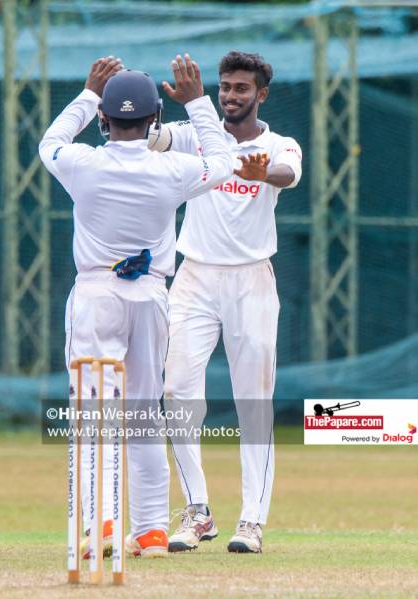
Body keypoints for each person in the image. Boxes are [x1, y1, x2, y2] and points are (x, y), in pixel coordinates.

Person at [39, 54, 235, 558]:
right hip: (150, 296)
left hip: (95, 296)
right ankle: (149, 531)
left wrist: (88, 92)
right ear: (154, 121)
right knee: (145, 411)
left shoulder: (82, 163)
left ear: (104, 119)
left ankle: (102, 526)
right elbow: (224, 159)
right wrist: (197, 102)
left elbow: (49, 142)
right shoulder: (172, 168)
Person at [151, 51, 302, 555]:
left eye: (241, 88)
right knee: (176, 391)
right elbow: (150, 138)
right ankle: (197, 511)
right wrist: (140, 113)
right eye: (225, 86)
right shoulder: (195, 132)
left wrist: (263, 174)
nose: (230, 96)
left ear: (262, 94)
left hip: (251, 280)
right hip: (194, 275)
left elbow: (286, 173)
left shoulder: (279, 144)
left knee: (253, 401)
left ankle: (252, 520)